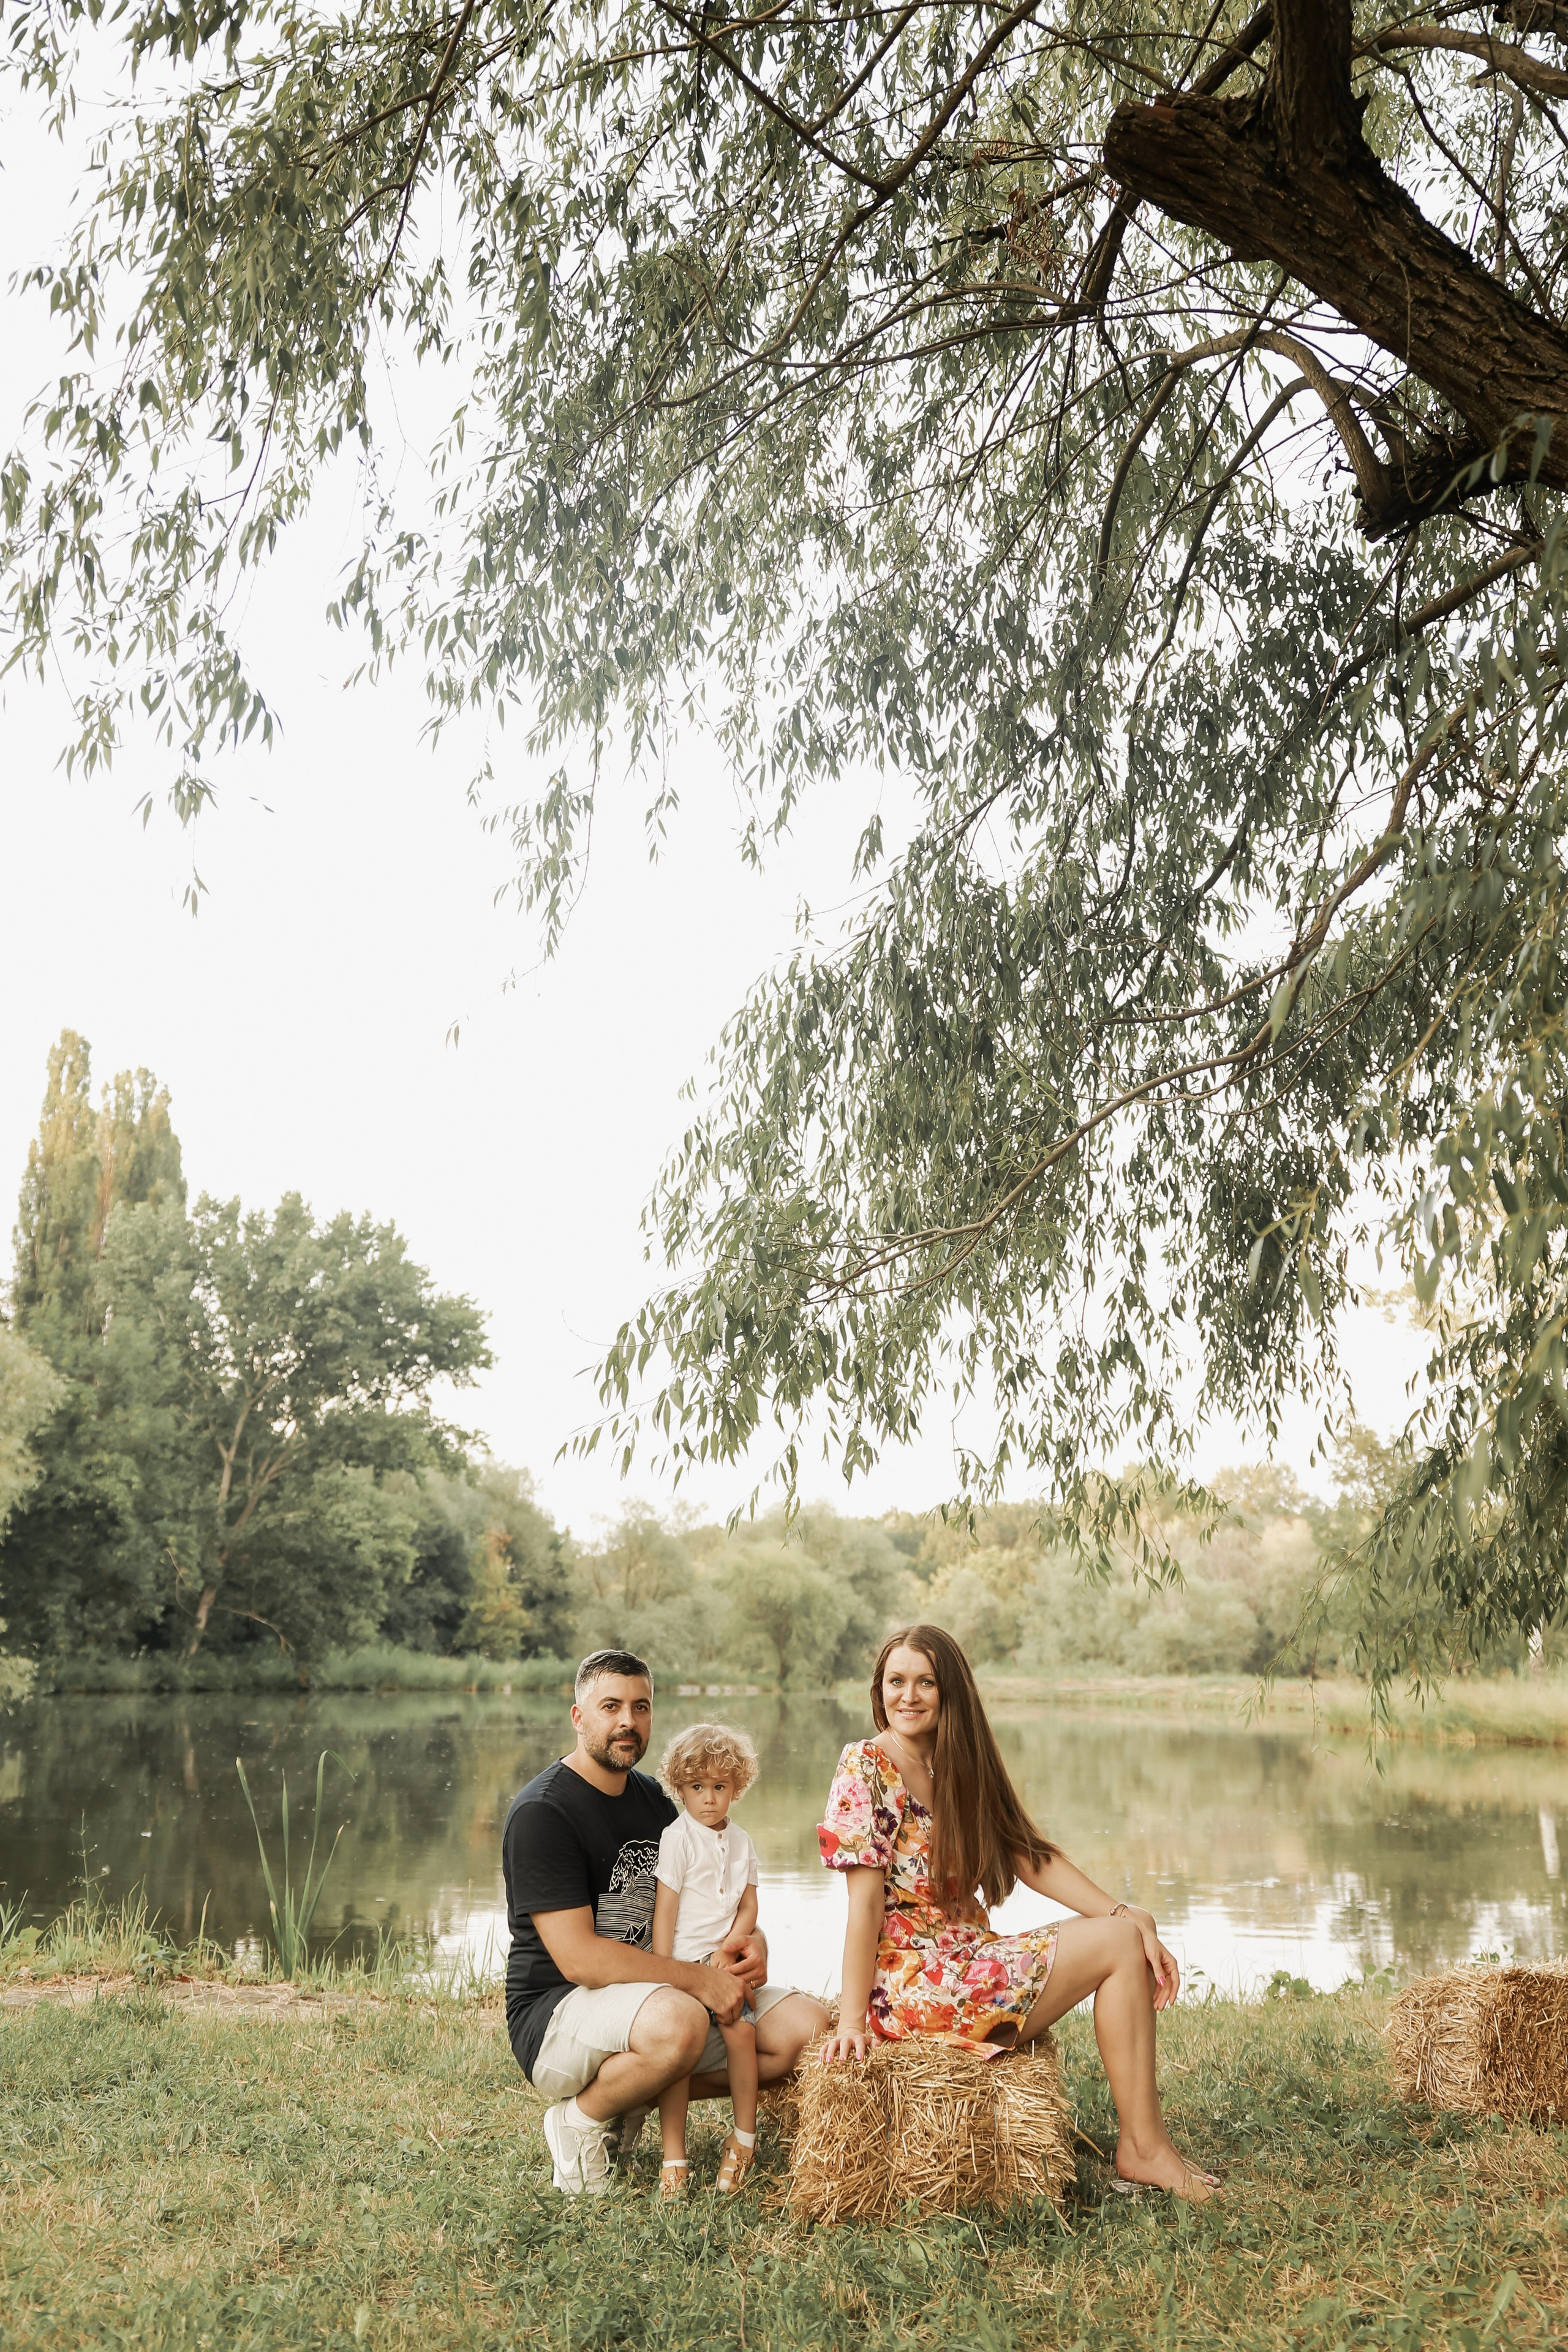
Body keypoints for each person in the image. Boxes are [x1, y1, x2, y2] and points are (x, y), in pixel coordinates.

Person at [818, 1623, 1218, 2201]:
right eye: (895, 1681)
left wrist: (1127, 1911)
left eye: (925, 1682)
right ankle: (1145, 2151)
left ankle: (1144, 2147)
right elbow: (863, 1907)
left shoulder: (959, 1764)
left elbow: (1030, 1858)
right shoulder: (865, 1767)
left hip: (966, 1959)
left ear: (950, 1690)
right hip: (911, 1984)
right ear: (878, 1690)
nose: (908, 1696)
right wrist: (852, 2023)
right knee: (1116, 1943)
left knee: (1120, 1936)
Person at [502, 1648, 829, 2195]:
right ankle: (577, 2120)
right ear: (579, 1717)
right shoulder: (545, 1812)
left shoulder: (656, 1801)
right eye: (611, 1706)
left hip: (659, 1994)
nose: (628, 1721)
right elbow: (579, 1958)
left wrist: (752, 1940)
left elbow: (709, 1894)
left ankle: (631, 2094)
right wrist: (702, 1979)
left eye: (641, 1706)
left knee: (808, 2030)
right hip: (558, 2014)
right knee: (682, 2018)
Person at [651, 1722, 763, 2198]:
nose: (709, 1798)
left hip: (725, 1957)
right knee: (683, 2056)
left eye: (720, 1787)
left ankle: (743, 2140)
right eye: (697, 1787)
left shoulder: (742, 1842)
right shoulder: (677, 1838)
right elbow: (666, 1911)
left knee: (743, 2031)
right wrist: (666, 1973)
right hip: (683, 1962)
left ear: (737, 1788)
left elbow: (750, 1906)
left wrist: (733, 1945)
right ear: (680, 1788)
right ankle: (673, 2154)